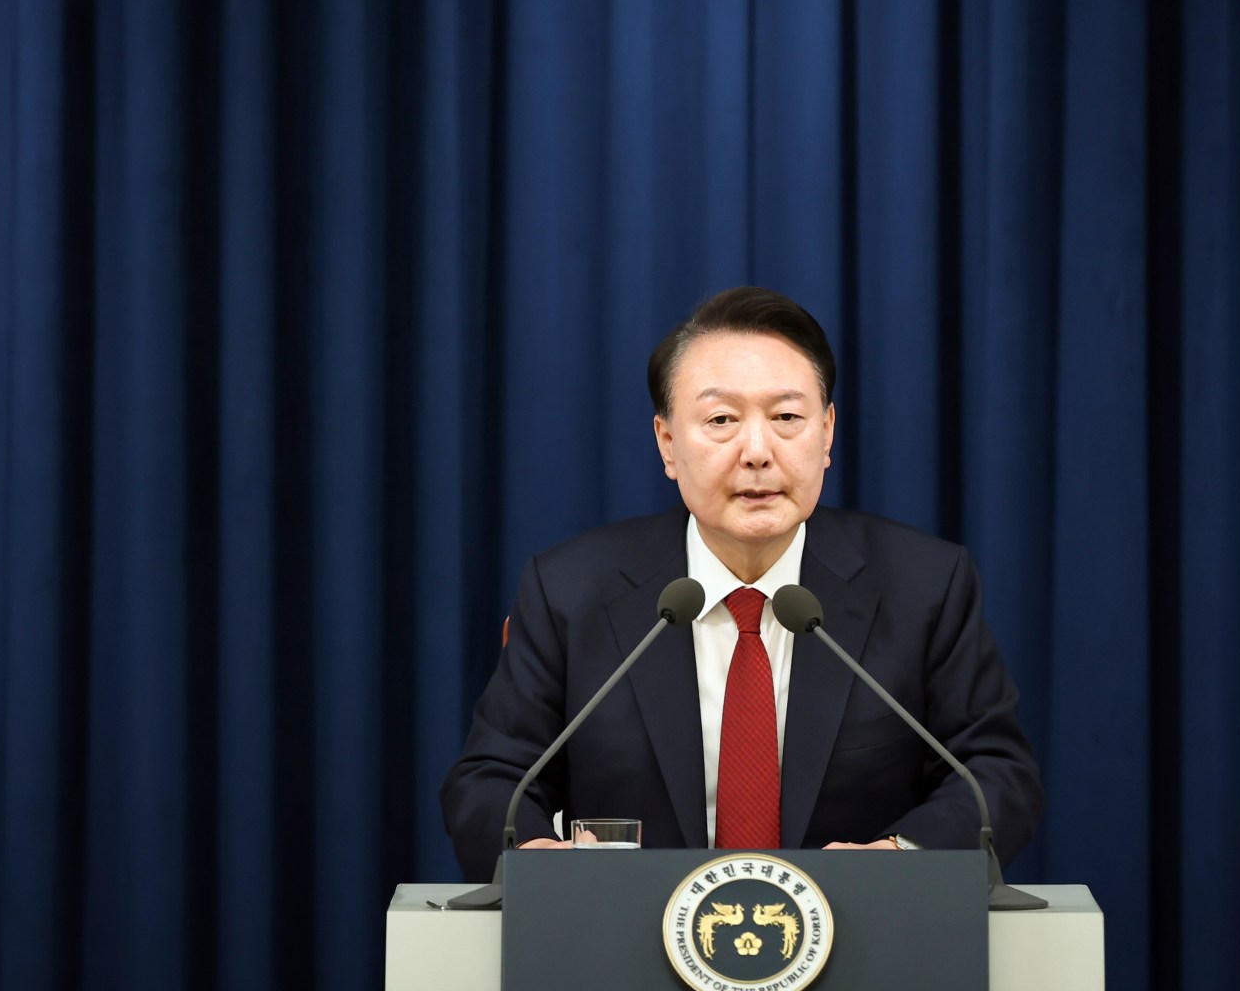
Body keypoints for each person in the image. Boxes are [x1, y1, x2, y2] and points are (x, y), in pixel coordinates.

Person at [439, 286, 1044, 877]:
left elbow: (995, 772)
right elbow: (493, 777)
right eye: (722, 419)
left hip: (858, 950)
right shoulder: (570, 590)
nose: (757, 451)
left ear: (827, 433)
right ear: (668, 444)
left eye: (786, 417)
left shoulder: (924, 585)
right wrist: (536, 855)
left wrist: (901, 861)